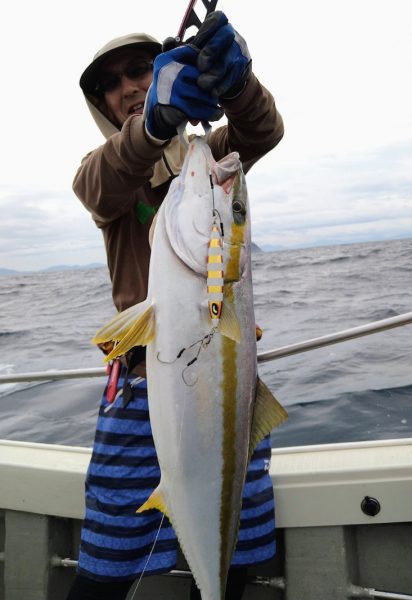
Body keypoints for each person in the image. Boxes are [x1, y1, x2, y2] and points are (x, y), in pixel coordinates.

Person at [67, 12, 284, 600]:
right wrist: (157, 123)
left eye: (139, 70)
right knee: (106, 564)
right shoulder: (104, 169)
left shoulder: (208, 160)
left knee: (231, 554)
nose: (128, 87)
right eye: (112, 84)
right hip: (143, 391)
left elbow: (260, 132)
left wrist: (237, 86)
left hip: (230, 389)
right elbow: (102, 185)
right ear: (103, 105)